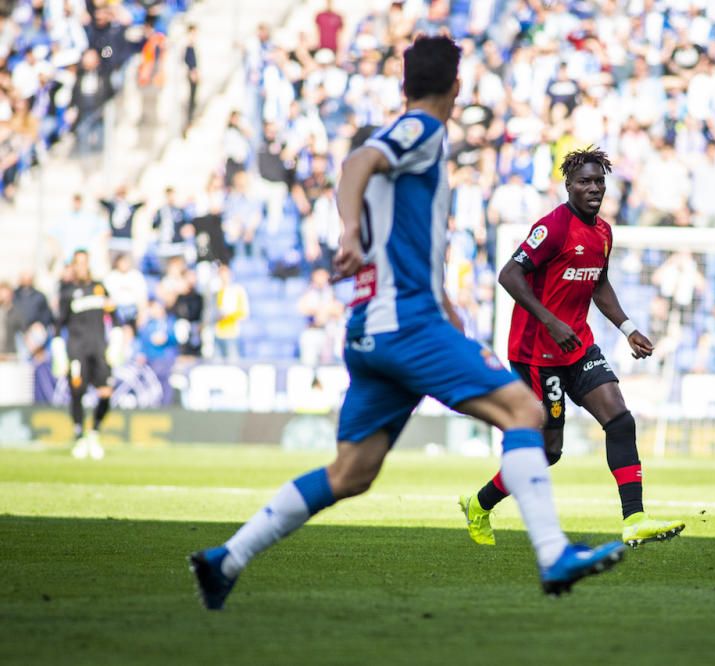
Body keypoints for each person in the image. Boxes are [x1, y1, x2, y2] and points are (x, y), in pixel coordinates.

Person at [189, 37, 624, 610]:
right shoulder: (425, 129)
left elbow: (403, 233)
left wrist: (442, 297)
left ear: (403, 83)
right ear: (457, 87)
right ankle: (553, 555)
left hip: (373, 327)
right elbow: (356, 161)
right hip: (407, 328)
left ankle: (226, 560)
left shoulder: (418, 152)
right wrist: (346, 231)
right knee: (525, 412)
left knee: (351, 473)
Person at [459, 147, 685, 549]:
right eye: (585, 181)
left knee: (620, 420)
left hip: (578, 346)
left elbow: (598, 283)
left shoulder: (602, 232)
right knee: (548, 452)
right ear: (568, 185)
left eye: (599, 181)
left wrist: (627, 327)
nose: (594, 188)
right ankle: (479, 503)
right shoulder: (553, 228)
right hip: (535, 353)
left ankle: (634, 519)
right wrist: (549, 320)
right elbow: (509, 274)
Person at [58, 250, 114, 461]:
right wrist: (58, 349)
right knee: (77, 391)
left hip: (99, 349)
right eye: (77, 263)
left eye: (84, 263)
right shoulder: (68, 292)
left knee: (106, 392)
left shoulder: (99, 288)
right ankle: (80, 435)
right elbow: (59, 324)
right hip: (77, 350)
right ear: (73, 266)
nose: (81, 267)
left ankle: (95, 431)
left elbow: (114, 315)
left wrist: (117, 339)